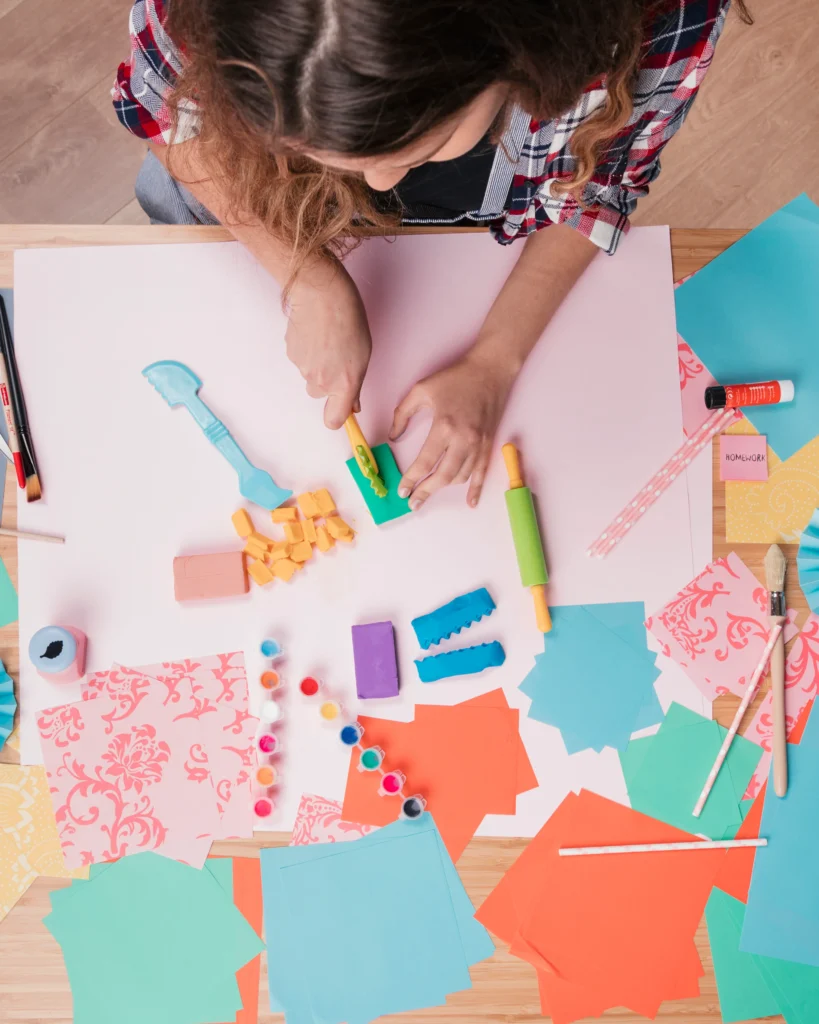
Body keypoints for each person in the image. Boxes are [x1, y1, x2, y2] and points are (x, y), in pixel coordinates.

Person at [114, 0, 747, 510]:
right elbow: (167, 114)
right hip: (251, 205)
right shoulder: (202, 13)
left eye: (418, 146)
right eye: (325, 152)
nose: (384, 185)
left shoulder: (658, 17)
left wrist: (495, 361)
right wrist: (306, 276)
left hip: (485, 212)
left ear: (523, 50)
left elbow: (597, 191)